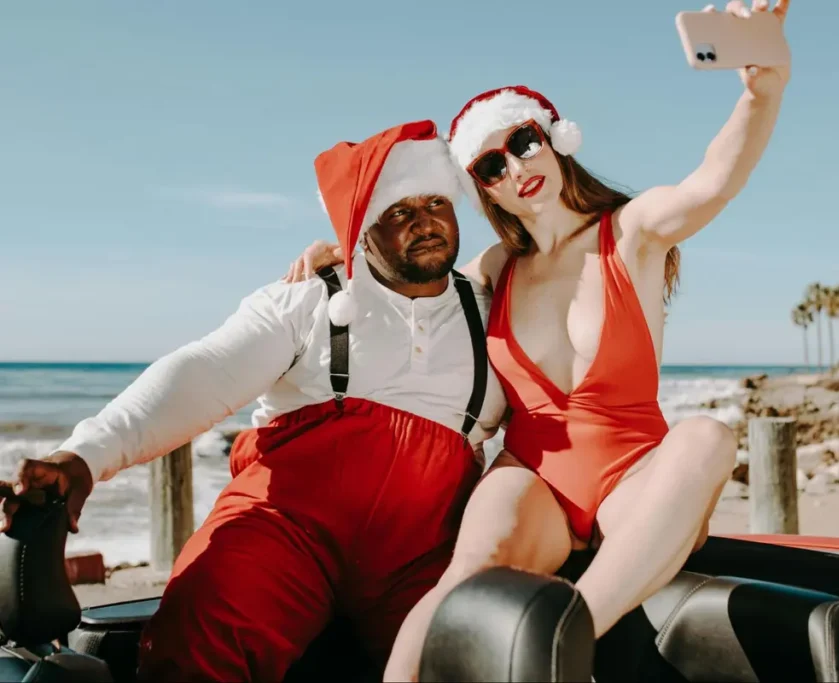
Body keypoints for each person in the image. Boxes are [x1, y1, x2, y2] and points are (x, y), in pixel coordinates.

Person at [284, 2, 791, 679]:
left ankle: (564, 636)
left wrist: (762, 92)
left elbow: (715, 179)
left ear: (553, 138)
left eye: (523, 141)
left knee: (707, 438)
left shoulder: (631, 232)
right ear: (485, 191)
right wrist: (339, 260)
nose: (516, 166)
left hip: (633, 477)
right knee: (464, 577)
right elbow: (406, 289)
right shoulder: (496, 269)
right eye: (490, 165)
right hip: (533, 479)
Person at [0, 119, 508, 682]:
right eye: (398, 211)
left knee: (469, 656)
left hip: (423, 554)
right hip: (283, 530)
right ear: (361, 230)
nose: (424, 221)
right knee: (204, 622)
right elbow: (200, 374)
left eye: (436, 203)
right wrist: (85, 457)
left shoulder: (495, 317)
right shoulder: (308, 298)